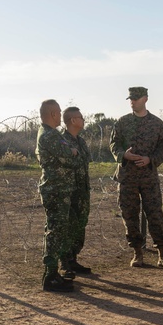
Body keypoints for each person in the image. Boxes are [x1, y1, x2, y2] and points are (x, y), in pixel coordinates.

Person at [110, 86, 163, 269]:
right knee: (130, 215)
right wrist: (124, 155)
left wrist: (150, 159)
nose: (133, 101)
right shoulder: (122, 123)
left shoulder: (157, 124)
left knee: (155, 214)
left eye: (136, 99)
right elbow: (113, 145)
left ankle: (162, 254)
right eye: (131, 99)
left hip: (148, 177)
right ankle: (137, 252)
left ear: (145, 99)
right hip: (127, 176)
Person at [34, 99, 78, 292]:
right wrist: (72, 151)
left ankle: (52, 274)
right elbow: (68, 154)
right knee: (55, 231)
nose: (61, 116)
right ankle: (50, 275)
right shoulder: (50, 135)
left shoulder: (49, 133)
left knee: (56, 229)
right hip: (56, 189)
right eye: (59, 113)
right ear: (52, 115)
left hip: (58, 188)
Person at [60, 106, 92, 279]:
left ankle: (73, 258)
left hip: (82, 191)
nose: (83, 120)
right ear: (73, 120)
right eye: (80, 117)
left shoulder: (81, 141)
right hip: (69, 191)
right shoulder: (61, 141)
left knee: (80, 224)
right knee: (67, 226)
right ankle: (65, 262)